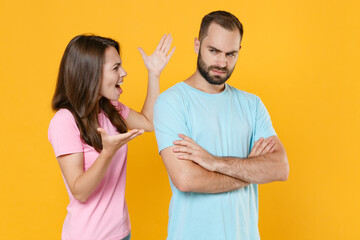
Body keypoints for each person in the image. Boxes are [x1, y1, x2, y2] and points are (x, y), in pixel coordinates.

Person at [154, 11, 289, 239]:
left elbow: (279, 168)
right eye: (213, 51)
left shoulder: (252, 104)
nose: (221, 62)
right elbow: (186, 180)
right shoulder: (171, 102)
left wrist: (213, 162)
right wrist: (251, 171)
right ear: (197, 45)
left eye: (230, 54)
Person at [48, 34, 174, 240]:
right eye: (115, 68)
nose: (123, 73)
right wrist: (107, 153)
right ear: (91, 73)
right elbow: (80, 191)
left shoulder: (110, 108)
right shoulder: (65, 121)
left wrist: (154, 74)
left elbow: (148, 122)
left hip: (122, 232)